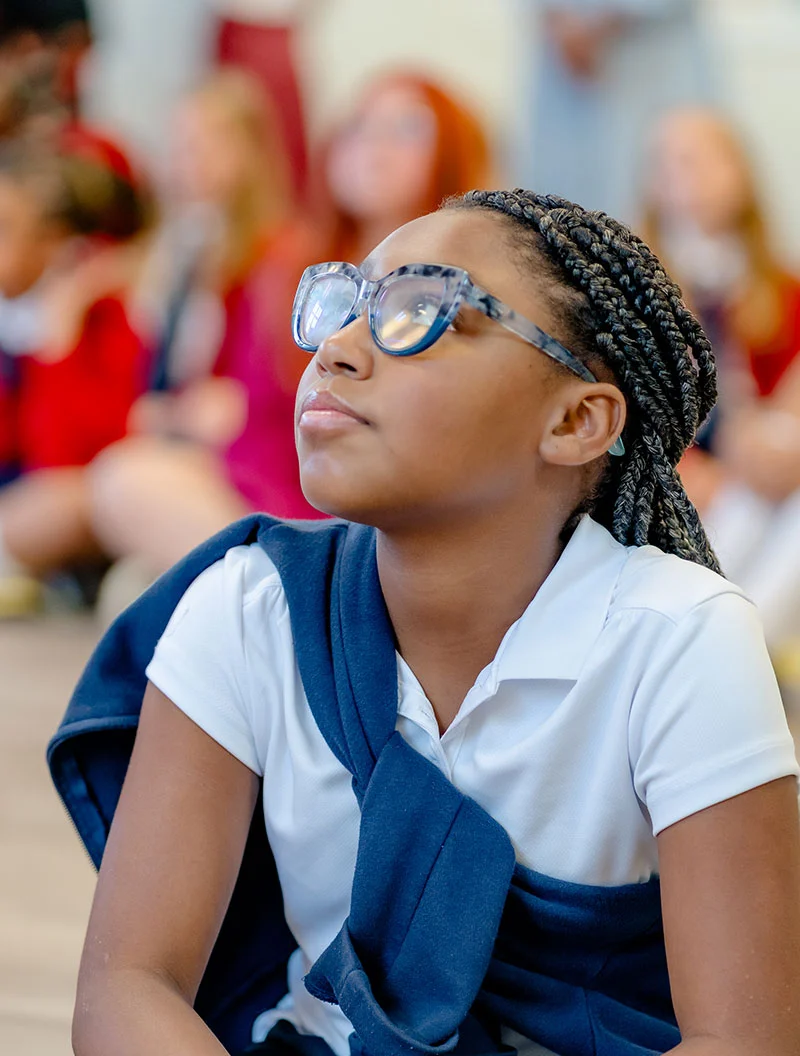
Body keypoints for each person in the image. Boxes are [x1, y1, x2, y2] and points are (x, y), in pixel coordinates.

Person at [52, 189, 800, 1056]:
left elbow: (745, 1040)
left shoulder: (679, 637)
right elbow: (128, 986)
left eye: (419, 311)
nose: (337, 348)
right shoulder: (250, 606)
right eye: (344, 306)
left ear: (574, 421)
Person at [88, 70, 320, 597]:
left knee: (117, 483)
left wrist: (202, 411)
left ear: (250, 153)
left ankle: (276, 592)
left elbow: (257, 403)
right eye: (179, 146)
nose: (184, 162)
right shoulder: (185, 251)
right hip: (193, 448)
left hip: (255, 472)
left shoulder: (279, 258)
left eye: (202, 145)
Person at [642, 107, 800, 651]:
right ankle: (732, 645)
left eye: (702, 159)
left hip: (767, 472)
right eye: (668, 163)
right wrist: (681, 467)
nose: (686, 176)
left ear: (741, 174)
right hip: (687, 473)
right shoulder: (639, 290)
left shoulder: (781, 290)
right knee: (743, 505)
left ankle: (742, 644)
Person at [0, 136, 147, 616]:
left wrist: (58, 348)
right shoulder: (12, 316)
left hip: (66, 499)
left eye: (6, 227)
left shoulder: (102, 319)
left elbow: (60, 464)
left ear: (55, 243)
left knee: (63, 503)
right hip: (23, 502)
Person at [517, 0, 715, 223]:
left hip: (652, 51)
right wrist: (560, 22)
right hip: (562, 64)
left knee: (652, 180)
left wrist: (597, 25)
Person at [317, 72, 490, 264]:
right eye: (358, 123)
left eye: (409, 126)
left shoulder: (474, 274)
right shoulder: (301, 269)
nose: (373, 141)